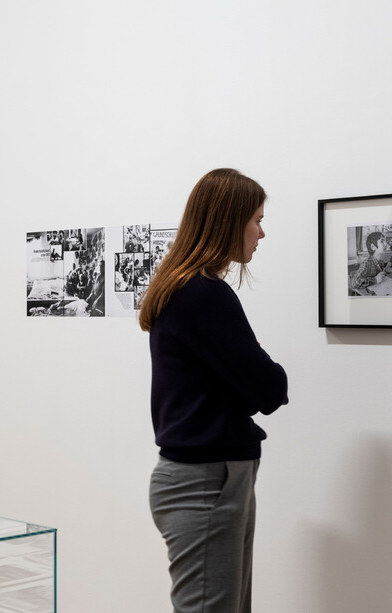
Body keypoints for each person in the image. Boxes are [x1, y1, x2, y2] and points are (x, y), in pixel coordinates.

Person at [139, 168, 288, 613]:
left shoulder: (186, 290)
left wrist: (248, 383)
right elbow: (269, 388)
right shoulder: (203, 295)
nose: (262, 233)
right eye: (256, 220)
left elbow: (243, 388)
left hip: (213, 477)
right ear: (229, 221)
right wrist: (257, 377)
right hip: (205, 481)